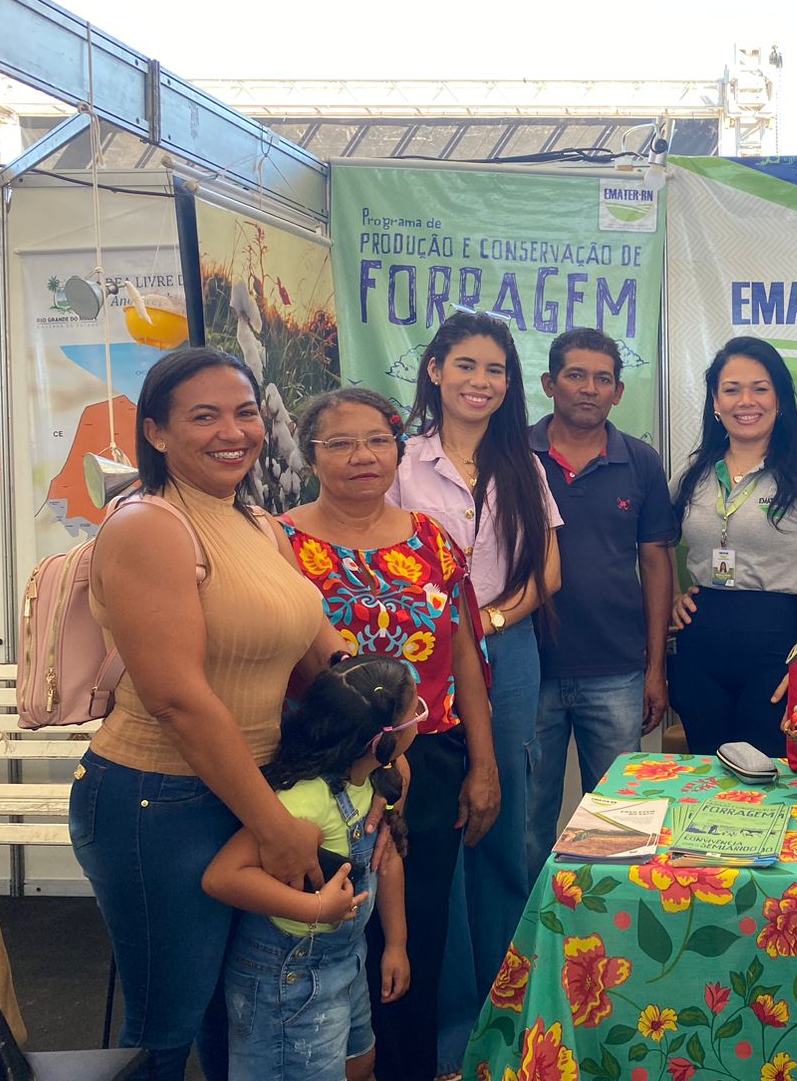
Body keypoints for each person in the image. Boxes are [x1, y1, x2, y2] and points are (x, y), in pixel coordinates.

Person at [70, 346, 346, 1081]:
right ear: (156, 432)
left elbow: (325, 655)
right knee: (166, 1027)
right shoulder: (148, 527)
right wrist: (273, 824)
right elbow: (178, 699)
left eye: (246, 412)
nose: (234, 431)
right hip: (160, 801)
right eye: (204, 416)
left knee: (244, 1012)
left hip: (255, 785)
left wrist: (383, 731)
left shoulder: (259, 524)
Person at [282, 386, 500, 1081]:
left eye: (376, 440)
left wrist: (484, 765)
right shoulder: (278, 543)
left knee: (417, 933)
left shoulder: (434, 539)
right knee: (326, 932)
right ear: (310, 454)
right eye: (339, 443)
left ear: (397, 449)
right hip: (317, 772)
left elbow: (464, 651)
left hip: (426, 760)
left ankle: (409, 1066)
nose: (361, 456)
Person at [386, 310, 560, 1062]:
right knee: (437, 826)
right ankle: (450, 1026)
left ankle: (511, 1004)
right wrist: (449, 637)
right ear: (434, 370)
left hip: (507, 650)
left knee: (505, 818)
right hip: (418, 666)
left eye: (495, 370)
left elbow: (548, 574)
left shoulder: (526, 465)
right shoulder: (397, 462)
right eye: (465, 366)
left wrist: (482, 624)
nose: (480, 382)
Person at [203, 655, 419, 1081]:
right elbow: (222, 876)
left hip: (346, 962)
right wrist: (315, 910)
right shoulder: (305, 804)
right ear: (382, 742)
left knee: (360, 1065)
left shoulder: (374, 780)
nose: (420, 720)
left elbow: (386, 858)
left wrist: (396, 942)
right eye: (416, 713)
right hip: (289, 977)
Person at [529, 329, 675, 866]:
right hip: (530, 668)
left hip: (617, 670)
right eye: (575, 375)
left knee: (617, 827)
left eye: (603, 379)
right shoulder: (514, 455)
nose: (588, 389)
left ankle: (607, 942)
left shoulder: (639, 461)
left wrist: (655, 668)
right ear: (549, 383)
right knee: (528, 826)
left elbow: (656, 561)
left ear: (618, 392)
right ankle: (529, 946)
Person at [670, 336, 797, 757]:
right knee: (706, 778)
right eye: (731, 389)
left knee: (767, 779)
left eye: (760, 388)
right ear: (715, 401)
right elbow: (654, 547)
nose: (745, 401)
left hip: (774, 646)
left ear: (780, 398)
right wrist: (671, 597)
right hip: (700, 649)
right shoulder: (691, 472)